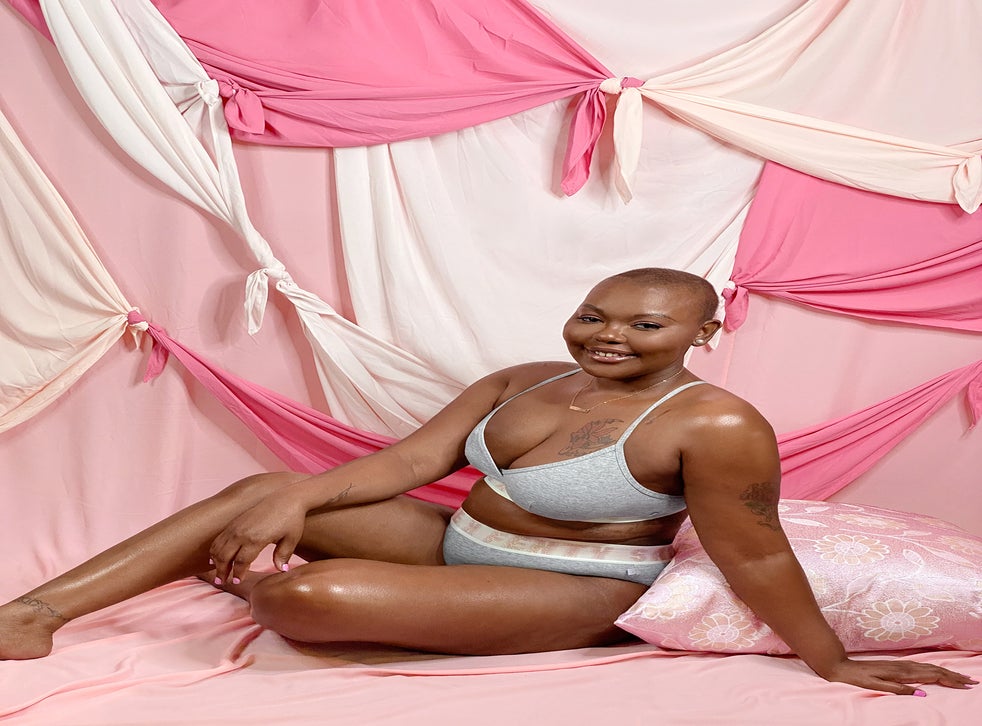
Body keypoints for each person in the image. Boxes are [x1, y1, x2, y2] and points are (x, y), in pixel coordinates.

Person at [0, 268, 975, 696]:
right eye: (595, 315)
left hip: (575, 588)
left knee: (305, 598)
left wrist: (828, 660)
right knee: (260, 489)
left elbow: (753, 550)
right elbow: (410, 465)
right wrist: (296, 496)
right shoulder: (522, 381)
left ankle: (259, 583)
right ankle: (35, 613)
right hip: (460, 541)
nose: (609, 336)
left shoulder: (714, 424)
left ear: (701, 333)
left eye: (645, 325)